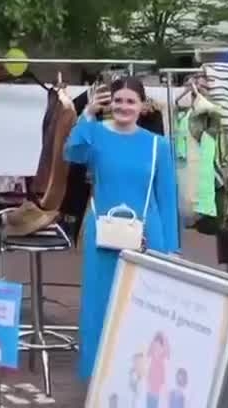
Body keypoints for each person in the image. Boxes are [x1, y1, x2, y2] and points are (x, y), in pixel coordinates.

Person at [68, 76, 178, 381]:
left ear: (142, 106)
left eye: (130, 101)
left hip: (148, 236)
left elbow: (167, 198)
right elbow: (73, 152)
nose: (123, 107)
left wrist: (172, 248)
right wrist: (87, 113)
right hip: (104, 235)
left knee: (144, 308)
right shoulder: (96, 134)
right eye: (118, 100)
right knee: (100, 305)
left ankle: (144, 379)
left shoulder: (158, 145)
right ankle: (100, 378)